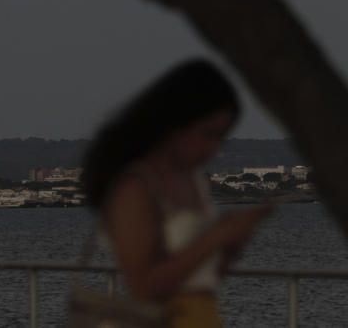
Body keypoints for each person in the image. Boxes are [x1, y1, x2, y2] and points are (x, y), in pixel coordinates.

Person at [81, 58, 273, 328]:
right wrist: (216, 236)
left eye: (221, 137)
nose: (214, 148)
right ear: (177, 124)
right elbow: (145, 288)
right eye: (208, 134)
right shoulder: (136, 186)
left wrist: (231, 245)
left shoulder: (194, 181)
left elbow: (203, 280)